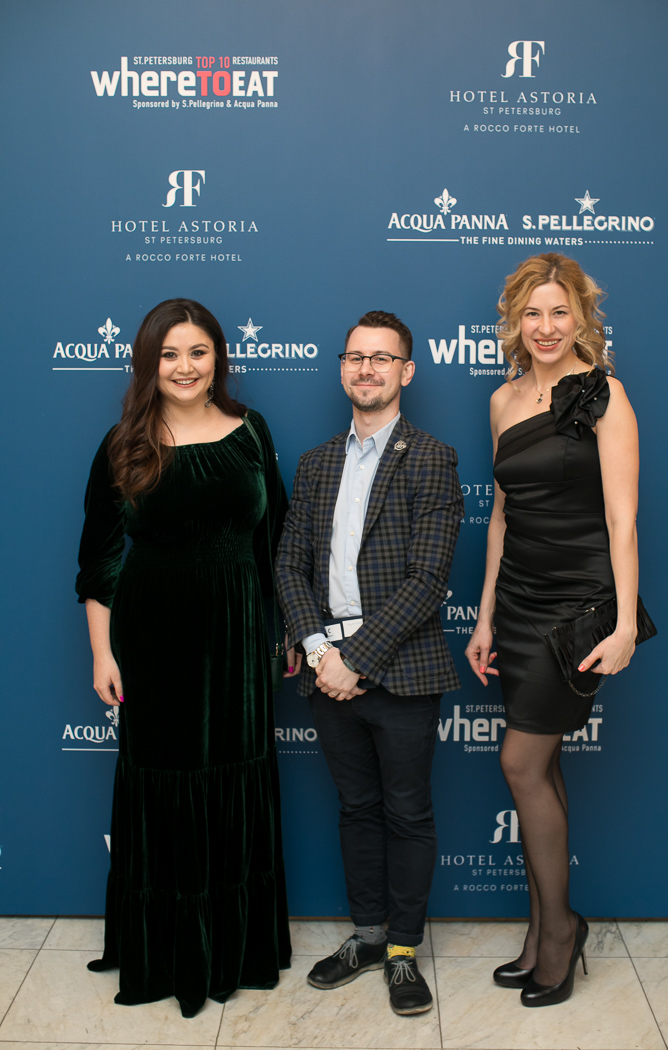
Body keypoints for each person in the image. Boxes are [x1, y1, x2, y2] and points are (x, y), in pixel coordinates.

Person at [76, 298, 294, 1017]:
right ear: (149, 363)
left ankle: (236, 947)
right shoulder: (123, 444)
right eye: (169, 354)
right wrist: (103, 654)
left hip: (238, 637)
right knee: (164, 782)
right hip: (154, 639)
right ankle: (166, 952)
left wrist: (290, 631)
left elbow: (276, 543)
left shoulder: (251, 431)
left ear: (217, 359)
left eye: (198, 352)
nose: (185, 367)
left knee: (235, 776)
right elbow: (100, 561)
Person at [275, 310, 464, 1016]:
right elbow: (288, 565)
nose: (367, 369)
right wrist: (320, 651)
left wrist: (355, 658)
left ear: (405, 371)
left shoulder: (433, 458)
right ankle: (367, 936)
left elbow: (428, 578)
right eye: (356, 357)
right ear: (342, 368)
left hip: (402, 668)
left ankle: (404, 951)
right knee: (356, 809)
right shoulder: (315, 462)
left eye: (383, 358)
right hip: (327, 669)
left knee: (407, 812)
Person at [466, 254, 640, 1007]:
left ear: (581, 319)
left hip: (577, 606)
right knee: (544, 766)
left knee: (521, 763)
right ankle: (544, 931)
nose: (545, 327)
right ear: (515, 321)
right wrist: (484, 614)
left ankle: (561, 933)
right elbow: (501, 517)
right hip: (518, 601)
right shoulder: (502, 400)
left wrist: (624, 623)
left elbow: (623, 520)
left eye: (559, 312)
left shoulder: (605, 395)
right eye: (532, 313)